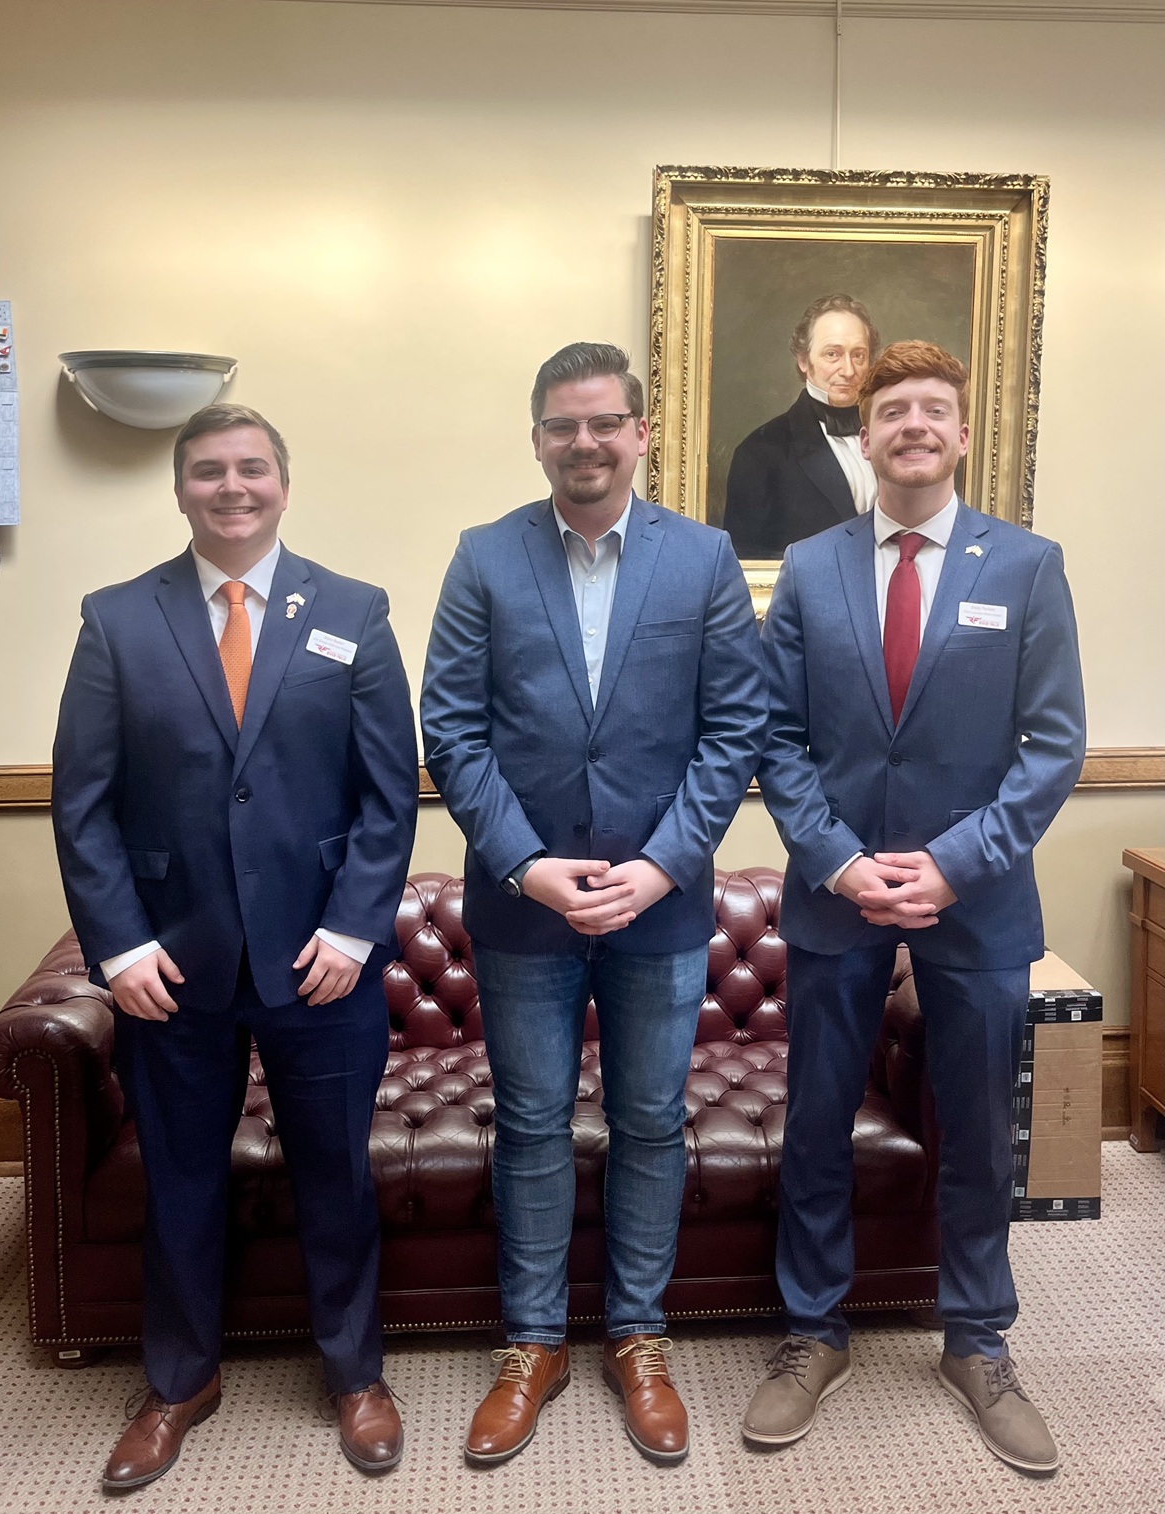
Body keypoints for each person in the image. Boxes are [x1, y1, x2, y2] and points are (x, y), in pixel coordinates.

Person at [51, 403, 419, 1490]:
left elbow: (386, 797)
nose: (232, 486)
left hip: (323, 962)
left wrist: (355, 927)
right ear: (180, 490)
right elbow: (84, 803)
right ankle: (178, 1381)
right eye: (208, 471)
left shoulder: (354, 609)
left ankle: (355, 1373)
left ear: (283, 484)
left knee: (336, 1178)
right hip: (174, 968)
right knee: (178, 1179)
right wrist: (118, 948)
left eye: (251, 468)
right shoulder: (118, 619)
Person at [421, 342, 768, 1467]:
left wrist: (665, 865)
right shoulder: (483, 557)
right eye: (563, 426)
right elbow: (453, 728)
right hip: (525, 906)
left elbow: (734, 731)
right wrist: (525, 863)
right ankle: (531, 1342)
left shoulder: (703, 558)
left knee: (651, 1121)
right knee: (527, 1123)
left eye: (605, 423)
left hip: (659, 907)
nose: (585, 443)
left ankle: (637, 1333)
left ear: (640, 432)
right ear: (537, 437)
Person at [746, 342, 1085, 1474]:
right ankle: (811, 1330)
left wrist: (951, 862)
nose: (915, 425)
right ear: (868, 429)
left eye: (936, 408)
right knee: (817, 1123)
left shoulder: (1027, 565)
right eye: (894, 410)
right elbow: (777, 738)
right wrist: (841, 862)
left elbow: (1053, 744)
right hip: (835, 900)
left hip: (977, 904)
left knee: (980, 1130)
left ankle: (978, 1337)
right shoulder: (809, 565)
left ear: (963, 433)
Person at [723, 294, 880, 559]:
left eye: (859, 355)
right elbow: (747, 561)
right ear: (804, 361)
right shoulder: (760, 452)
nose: (849, 370)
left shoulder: (891, 437)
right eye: (833, 354)